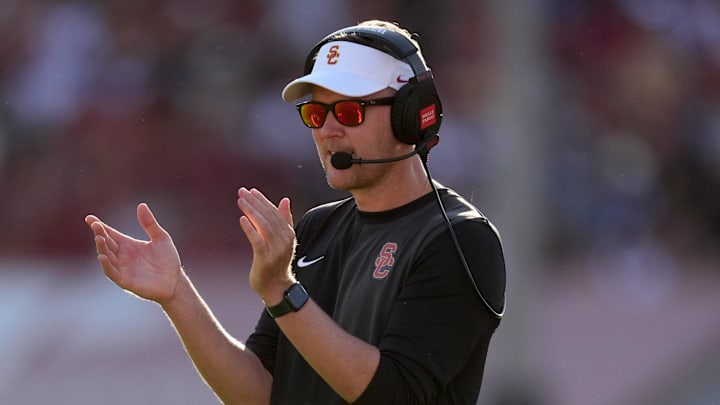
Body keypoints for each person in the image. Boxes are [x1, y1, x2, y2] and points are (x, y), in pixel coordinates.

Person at [85, 19, 506, 405]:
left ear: (409, 116)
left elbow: (396, 395)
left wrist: (284, 293)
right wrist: (176, 293)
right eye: (315, 113)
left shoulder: (460, 238)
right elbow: (261, 394)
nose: (327, 130)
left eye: (348, 111)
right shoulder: (318, 227)